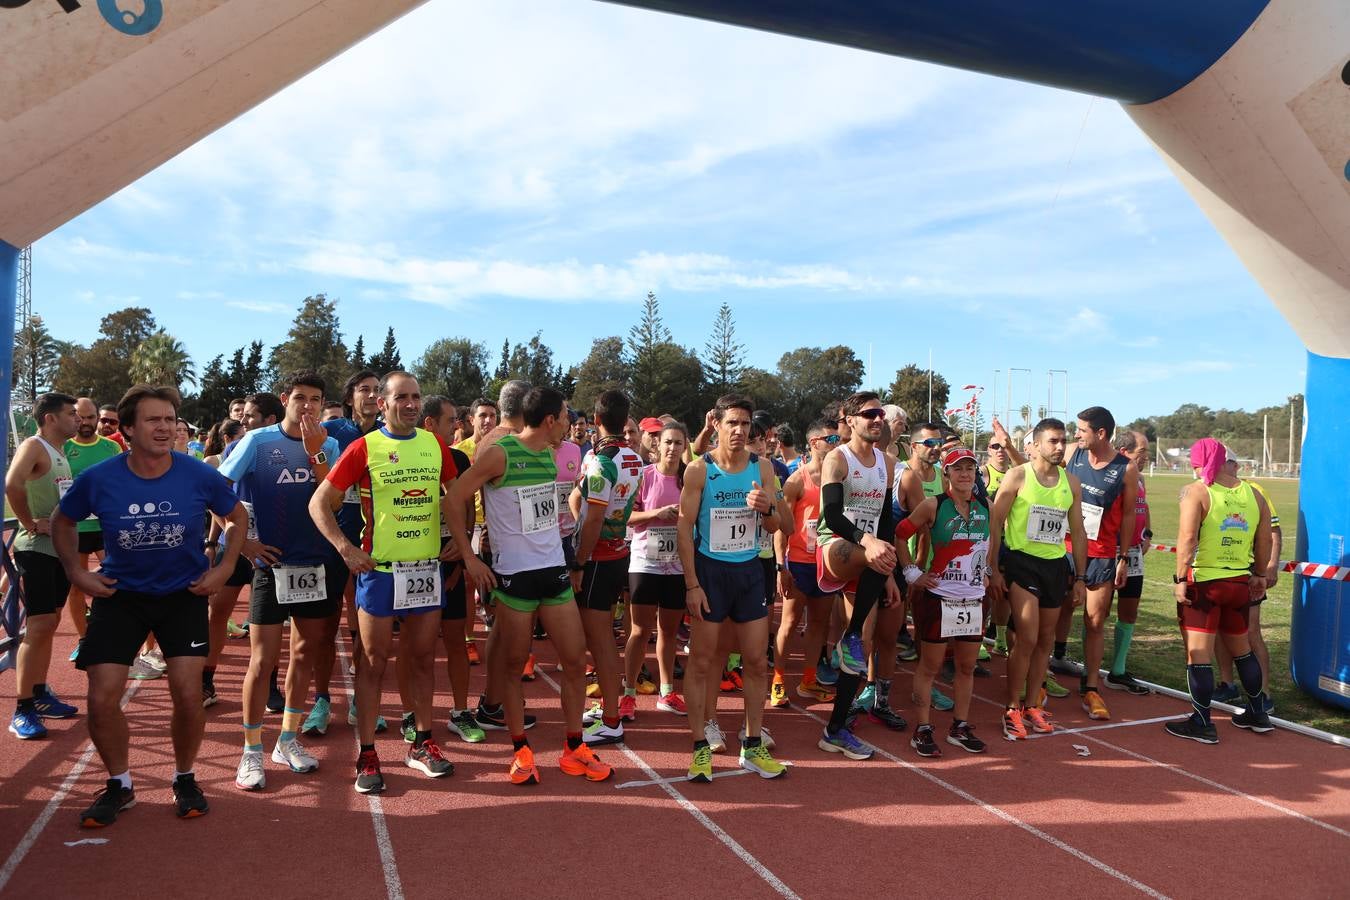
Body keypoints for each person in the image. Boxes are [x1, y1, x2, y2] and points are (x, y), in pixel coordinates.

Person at [54, 385, 249, 826]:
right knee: (101, 698)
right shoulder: (100, 478)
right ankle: (120, 784)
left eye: (169, 420)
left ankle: (185, 777)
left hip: (183, 596)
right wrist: (76, 573)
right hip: (120, 597)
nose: (164, 428)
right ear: (127, 429)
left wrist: (224, 567)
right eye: (152, 420)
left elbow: (237, 516)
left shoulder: (197, 473)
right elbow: (62, 521)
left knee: (188, 693)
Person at [447, 387, 613, 785]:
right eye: (566, 418)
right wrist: (470, 557)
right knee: (512, 665)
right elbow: (453, 499)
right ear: (551, 420)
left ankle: (574, 747)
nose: (571, 426)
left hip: (553, 571)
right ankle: (521, 750)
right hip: (514, 578)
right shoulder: (499, 453)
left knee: (575, 661)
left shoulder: (549, 455)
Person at [309, 372, 460, 793]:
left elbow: (455, 496)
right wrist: (345, 548)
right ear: (382, 403)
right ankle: (368, 753)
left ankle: (422, 743)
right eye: (401, 397)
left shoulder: (434, 445)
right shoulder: (364, 447)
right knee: (373, 663)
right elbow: (319, 503)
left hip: (425, 570)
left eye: (416, 397)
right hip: (381, 573)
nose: (410, 404)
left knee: (423, 659)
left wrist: (460, 539)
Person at [217, 371, 343, 791]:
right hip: (270, 565)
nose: (308, 405)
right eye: (300, 397)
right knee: (263, 659)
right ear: (286, 399)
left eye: (316, 399)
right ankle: (251, 749)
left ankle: (287, 739)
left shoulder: (328, 444)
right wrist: (244, 543)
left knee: (304, 654)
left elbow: (333, 501)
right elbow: (217, 491)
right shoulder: (257, 441)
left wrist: (316, 453)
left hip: (314, 563)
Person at [678, 394, 790, 782]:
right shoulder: (699, 470)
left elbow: (776, 526)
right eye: (732, 423)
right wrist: (692, 584)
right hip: (711, 573)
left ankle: (752, 744)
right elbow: (683, 528)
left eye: (745, 424)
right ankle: (699, 747)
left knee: (756, 661)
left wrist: (767, 508)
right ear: (717, 425)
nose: (740, 430)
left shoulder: (763, 467)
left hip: (749, 573)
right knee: (702, 661)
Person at [1166, 438, 1274, 743]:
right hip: (1239, 582)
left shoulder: (1197, 491)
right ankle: (1258, 712)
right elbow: (1264, 539)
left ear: (1198, 462)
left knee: (1198, 655)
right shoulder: (1254, 493)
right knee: (1242, 650)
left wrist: (1180, 578)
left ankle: (1202, 722)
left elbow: (1187, 538)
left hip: (1204, 583)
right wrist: (1260, 574)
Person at [813, 392, 902, 761]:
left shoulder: (887, 463)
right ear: (849, 419)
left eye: (880, 413)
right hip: (835, 546)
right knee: (876, 554)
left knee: (860, 648)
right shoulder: (838, 459)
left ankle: (836, 729)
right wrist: (868, 543)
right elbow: (833, 515)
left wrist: (889, 571)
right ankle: (849, 633)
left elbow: (885, 521)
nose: (877, 419)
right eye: (869, 414)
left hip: (870, 557)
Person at [988, 419, 1088, 740]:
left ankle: (1032, 705)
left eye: (1063, 441)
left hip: (1055, 566)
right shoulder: (1019, 476)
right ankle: (1011, 708)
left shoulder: (1071, 483)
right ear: (1037, 444)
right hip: (1022, 563)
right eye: (1053, 441)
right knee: (1027, 639)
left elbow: (1079, 531)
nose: (1060, 447)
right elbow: (995, 522)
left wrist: (1081, 577)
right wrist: (993, 568)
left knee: (1045, 641)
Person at [897, 448, 990, 756]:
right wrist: (912, 573)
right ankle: (922, 729)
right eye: (958, 468)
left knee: (966, 666)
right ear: (946, 473)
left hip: (973, 600)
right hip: (939, 598)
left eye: (970, 468)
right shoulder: (933, 505)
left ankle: (959, 727)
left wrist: (988, 572)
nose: (965, 474)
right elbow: (901, 534)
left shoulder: (986, 506)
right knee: (930, 666)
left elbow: (991, 543)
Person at [310, 369, 384, 736]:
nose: (370, 396)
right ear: (350, 396)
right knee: (325, 626)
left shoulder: (390, 435)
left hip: (374, 545)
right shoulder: (332, 432)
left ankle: (359, 702)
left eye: (376, 390)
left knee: (365, 631)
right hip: (333, 542)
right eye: (363, 390)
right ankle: (321, 700)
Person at [408, 396, 484, 744]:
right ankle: (411, 714)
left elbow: (466, 504)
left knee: (455, 639)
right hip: (412, 563)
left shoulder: (458, 458)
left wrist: (462, 540)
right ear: (429, 424)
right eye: (451, 420)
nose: (458, 425)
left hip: (449, 559)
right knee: (414, 646)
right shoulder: (405, 455)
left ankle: (460, 711)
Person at [6, 392, 81, 739]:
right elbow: (12, 483)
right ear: (50, 418)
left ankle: (38, 692)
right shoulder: (34, 446)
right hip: (36, 548)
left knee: (49, 623)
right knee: (37, 626)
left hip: (57, 550)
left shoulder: (59, 451)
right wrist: (28, 522)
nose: (77, 419)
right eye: (71, 413)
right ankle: (22, 709)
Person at [573, 391, 645, 742]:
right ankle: (609, 707)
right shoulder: (635, 457)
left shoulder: (602, 461)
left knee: (600, 640)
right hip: (619, 551)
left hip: (599, 557)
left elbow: (593, 517)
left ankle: (612, 719)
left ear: (596, 420)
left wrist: (579, 561)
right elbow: (582, 500)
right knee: (602, 638)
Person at [1063, 407, 1139, 721]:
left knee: (1095, 621)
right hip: (1064, 549)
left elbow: (1129, 515)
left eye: (1082, 430)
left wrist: (1123, 557)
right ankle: (1042, 677)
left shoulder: (1126, 469)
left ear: (1101, 433)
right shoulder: (1072, 453)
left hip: (1102, 554)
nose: (1076, 434)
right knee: (1056, 613)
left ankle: (1091, 687)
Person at [773, 419, 841, 705]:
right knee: (789, 624)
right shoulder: (796, 481)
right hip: (800, 563)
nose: (837, 444)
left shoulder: (840, 478)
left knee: (819, 624)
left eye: (839, 439)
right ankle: (778, 681)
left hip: (827, 563)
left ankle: (808, 681)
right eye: (832, 439)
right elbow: (781, 527)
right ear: (814, 443)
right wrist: (781, 566)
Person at [625, 422, 691, 715]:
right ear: (657, 444)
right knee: (640, 631)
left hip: (677, 566)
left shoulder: (690, 478)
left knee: (669, 630)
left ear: (685, 446)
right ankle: (628, 693)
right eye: (668, 442)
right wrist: (657, 513)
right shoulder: (644, 475)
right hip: (645, 563)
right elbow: (626, 515)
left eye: (678, 443)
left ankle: (667, 692)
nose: (672, 448)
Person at [1215, 452, 1281, 713]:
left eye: (1224, 462)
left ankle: (1264, 693)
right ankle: (1227, 684)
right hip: (1220, 570)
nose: (1219, 467)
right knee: (1221, 628)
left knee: (1251, 631)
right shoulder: (1211, 489)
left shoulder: (1254, 490)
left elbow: (1273, 532)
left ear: (1235, 465)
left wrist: (1271, 566)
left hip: (1250, 571)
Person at [62, 398, 124, 663]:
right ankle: (84, 640)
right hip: (74, 528)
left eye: (90, 417)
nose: (85, 423)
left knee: (118, 581)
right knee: (76, 588)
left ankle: (119, 635)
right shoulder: (64, 447)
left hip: (105, 527)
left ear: (96, 417)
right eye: (80, 417)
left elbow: (122, 481)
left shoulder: (111, 447)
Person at [1104, 429, 1152, 694]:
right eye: (1141, 451)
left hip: (1134, 553)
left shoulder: (1140, 478)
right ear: (1124, 452)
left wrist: (1148, 534)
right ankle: (1089, 673)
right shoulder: (1111, 477)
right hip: (1109, 552)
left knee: (1129, 610)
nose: (1146, 457)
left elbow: (1144, 507)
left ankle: (1118, 670)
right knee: (1098, 613)